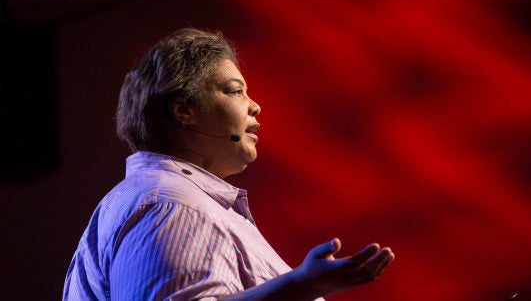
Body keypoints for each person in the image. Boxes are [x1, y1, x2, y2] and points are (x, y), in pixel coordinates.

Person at [63, 28, 394, 300]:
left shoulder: (169, 199)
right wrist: (301, 286)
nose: (255, 106)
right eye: (235, 91)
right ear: (184, 109)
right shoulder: (171, 204)